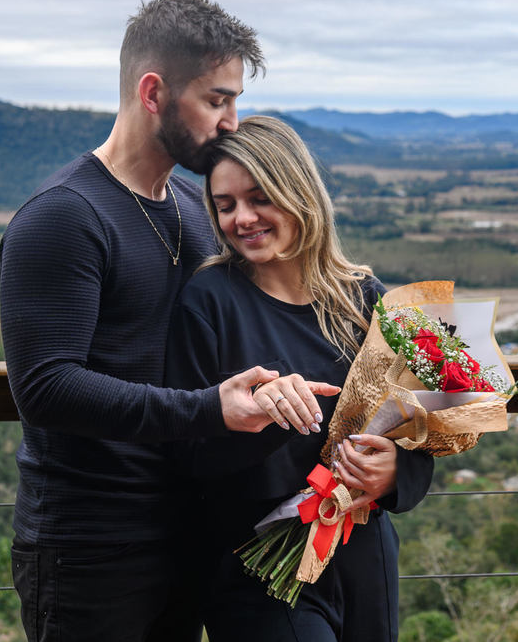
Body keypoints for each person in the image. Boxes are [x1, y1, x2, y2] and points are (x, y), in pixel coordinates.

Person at [0, 0, 336, 642]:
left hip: (193, 531)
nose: (233, 122)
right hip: (92, 547)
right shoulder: (63, 218)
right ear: (153, 92)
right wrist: (211, 408)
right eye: (217, 100)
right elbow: (45, 387)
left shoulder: (192, 201)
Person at [163, 115, 435, 642]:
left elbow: (428, 420)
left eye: (259, 198)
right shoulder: (208, 301)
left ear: (299, 191)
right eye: (225, 206)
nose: (242, 219)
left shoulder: (364, 297)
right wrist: (265, 416)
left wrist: (398, 471)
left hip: (364, 555)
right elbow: (187, 457)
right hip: (258, 569)